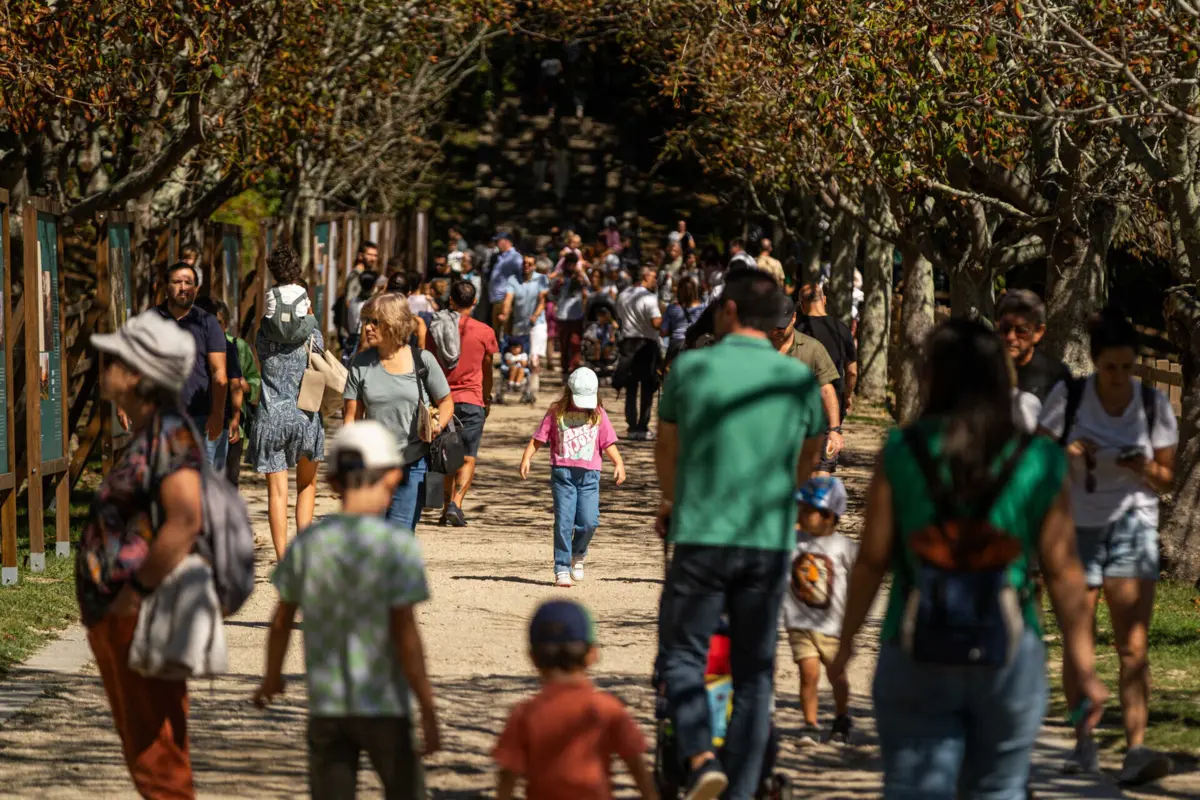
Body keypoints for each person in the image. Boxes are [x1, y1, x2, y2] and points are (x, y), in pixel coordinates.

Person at [832, 319, 1107, 799]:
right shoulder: (1039, 459)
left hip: (915, 646)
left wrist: (846, 643)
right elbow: (1064, 571)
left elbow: (872, 560)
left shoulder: (902, 450)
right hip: (1008, 650)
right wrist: (1083, 666)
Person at [655, 270, 826, 799]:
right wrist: (783, 490)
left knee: (685, 654)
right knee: (755, 671)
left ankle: (701, 755)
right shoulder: (797, 380)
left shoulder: (691, 369)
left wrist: (672, 500)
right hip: (767, 541)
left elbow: (668, 451)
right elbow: (811, 453)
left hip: (702, 534)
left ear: (728, 310)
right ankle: (744, 788)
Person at [253, 421, 440, 799]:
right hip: (385, 705)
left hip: (329, 707)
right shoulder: (395, 547)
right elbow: (406, 633)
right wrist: (428, 709)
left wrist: (272, 676)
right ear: (392, 479)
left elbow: (281, 620)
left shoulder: (310, 543)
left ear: (333, 483)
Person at [1036, 308, 1177, 784]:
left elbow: (1165, 479)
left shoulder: (1155, 405)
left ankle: (1136, 749)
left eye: (1127, 367)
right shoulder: (1070, 397)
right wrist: (1068, 452)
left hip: (1134, 527)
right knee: (1079, 645)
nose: (1119, 377)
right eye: (1110, 367)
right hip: (1076, 528)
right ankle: (1083, 744)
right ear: (1096, 363)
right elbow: (1038, 455)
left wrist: (1142, 467)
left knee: (1132, 646)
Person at [80, 310, 206, 798]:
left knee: (158, 761)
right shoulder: (155, 431)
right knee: (155, 753)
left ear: (136, 373)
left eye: (113, 355)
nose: (104, 362)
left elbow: (186, 519)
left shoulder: (169, 435)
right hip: (125, 616)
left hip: (138, 616)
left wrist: (134, 593)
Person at [494, 600, 656, 800]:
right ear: (592, 654)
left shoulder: (525, 713)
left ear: (532, 657)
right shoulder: (607, 708)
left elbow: (507, 776)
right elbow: (637, 766)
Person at [343, 293, 455, 530]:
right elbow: (351, 417)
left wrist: (437, 426)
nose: (368, 327)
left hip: (413, 463)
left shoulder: (422, 360)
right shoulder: (360, 364)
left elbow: (446, 402)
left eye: (375, 321)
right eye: (366, 321)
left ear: (393, 323)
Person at [247, 247, 327, 560]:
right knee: (307, 486)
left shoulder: (262, 336)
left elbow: (266, 345)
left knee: (276, 493)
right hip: (305, 416)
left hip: (270, 418)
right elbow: (320, 358)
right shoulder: (312, 334)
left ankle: (283, 559)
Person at [520, 368, 626, 587]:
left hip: (590, 476)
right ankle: (561, 567)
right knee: (564, 522)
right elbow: (539, 438)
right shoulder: (556, 412)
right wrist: (527, 457)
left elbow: (607, 442)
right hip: (563, 475)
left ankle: (578, 553)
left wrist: (619, 462)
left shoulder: (597, 414)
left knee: (589, 521)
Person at [782, 477, 856, 746]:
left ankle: (841, 716)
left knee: (836, 675)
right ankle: (810, 724)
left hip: (833, 627)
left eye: (807, 510)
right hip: (799, 624)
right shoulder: (792, 540)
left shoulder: (843, 546)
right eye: (799, 508)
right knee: (808, 674)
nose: (800, 514)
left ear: (829, 515)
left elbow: (864, 571)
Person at [425, 280, 498, 528]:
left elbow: (427, 363)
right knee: (467, 456)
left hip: (442, 401)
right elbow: (488, 370)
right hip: (472, 400)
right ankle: (456, 503)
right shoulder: (485, 332)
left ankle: (446, 508)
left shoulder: (435, 329)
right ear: (474, 302)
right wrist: (486, 397)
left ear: (451, 301)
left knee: (444, 455)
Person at [154, 261, 228, 469]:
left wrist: (217, 414)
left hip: (199, 418)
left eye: (188, 282)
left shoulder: (208, 323)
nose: (183, 287)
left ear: (196, 288)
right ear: (166, 286)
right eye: (177, 282)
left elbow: (219, 373)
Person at [770, 298, 844, 474]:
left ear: (794, 318)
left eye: (781, 327)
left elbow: (827, 390)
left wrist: (834, 430)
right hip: (769, 432)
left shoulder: (812, 349)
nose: (776, 331)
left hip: (805, 432)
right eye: (772, 326)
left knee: (815, 482)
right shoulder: (759, 348)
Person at [796, 281, 857, 472]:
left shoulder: (797, 329)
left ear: (801, 304)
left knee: (803, 459)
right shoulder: (841, 329)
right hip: (833, 400)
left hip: (803, 400)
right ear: (824, 300)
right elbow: (852, 370)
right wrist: (847, 394)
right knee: (825, 460)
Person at [197, 298, 256, 487]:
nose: (214, 328)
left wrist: (246, 387)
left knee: (227, 476)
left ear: (226, 324)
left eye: (219, 323)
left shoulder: (235, 346)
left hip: (229, 421)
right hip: (200, 418)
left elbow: (251, 380)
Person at [997, 290, 1071, 425]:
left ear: (1038, 332)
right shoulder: (986, 369)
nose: (1010, 337)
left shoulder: (1055, 376)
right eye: (1005, 329)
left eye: (1021, 331)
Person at [616, 267, 663, 440]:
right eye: (653, 276)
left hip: (628, 342)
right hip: (645, 343)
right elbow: (656, 323)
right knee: (647, 386)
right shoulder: (649, 298)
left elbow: (620, 317)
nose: (655, 279)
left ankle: (632, 425)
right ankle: (642, 426)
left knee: (631, 386)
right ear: (644, 276)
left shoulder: (622, 294)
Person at [500, 254, 550, 404]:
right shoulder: (513, 280)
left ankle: (532, 390)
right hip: (519, 324)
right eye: (524, 263)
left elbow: (542, 301)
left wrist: (535, 315)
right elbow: (508, 299)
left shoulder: (541, 279)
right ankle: (520, 387)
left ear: (534, 266)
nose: (526, 266)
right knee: (520, 357)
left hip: (537, 323)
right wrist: (504, 313)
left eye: (529, 263)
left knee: (533, 359)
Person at [554, 253, 589, 379]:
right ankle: (564, 370)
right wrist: (558, 284)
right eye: (569, 263)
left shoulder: (580, 275)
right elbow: (552, 293)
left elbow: (588, 288)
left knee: (575, 343)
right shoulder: (560, 277)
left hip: (577, 315)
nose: (571, 266)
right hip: (562, 315)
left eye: (573, 263)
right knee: (564, 344)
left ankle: (574, 370)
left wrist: (581, 277)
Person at [661, 275, 704, 370]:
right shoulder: (703, 308)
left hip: (676, 345)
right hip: (696, 345)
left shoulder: (672, 308)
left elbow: (663, 332)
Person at [488, 232, 523, 341]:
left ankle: (506, 353)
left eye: (498, 241)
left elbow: (520, 276)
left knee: (506, 329)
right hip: (496, 298)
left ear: (506, 241)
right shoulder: (500, 256)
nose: (496, 244)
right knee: (497, 329)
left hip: (506, 298)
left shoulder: (515, 257)